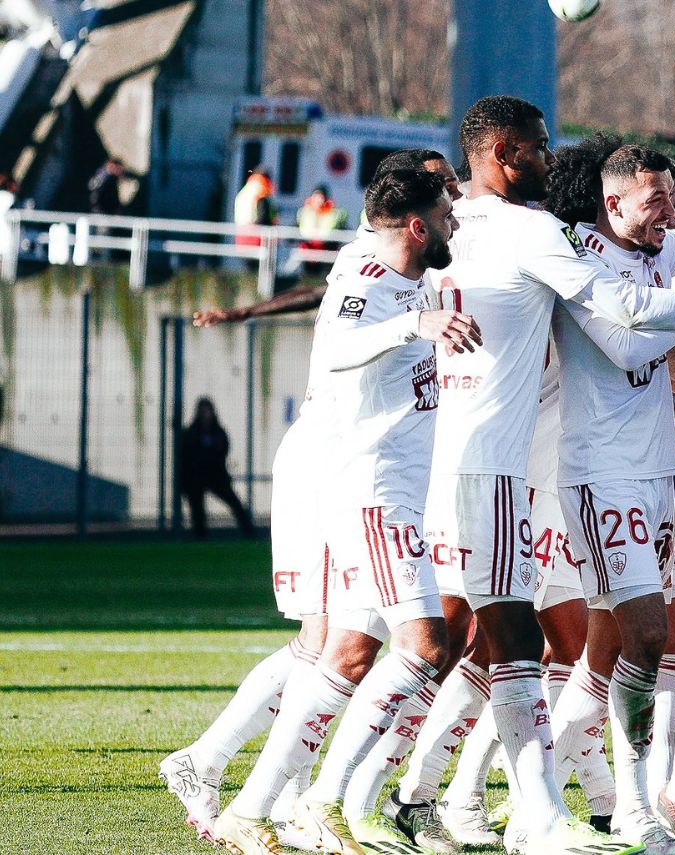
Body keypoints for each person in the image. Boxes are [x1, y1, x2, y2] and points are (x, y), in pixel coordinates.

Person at [385, 94, 675, 855]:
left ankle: (485, 798)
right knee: (550, 641)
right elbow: (631, 341)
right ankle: (431, 793)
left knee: (574, 652)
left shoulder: (516, 233)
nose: (672, 212)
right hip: (568, 470)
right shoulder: (565, 246)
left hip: (617, 473)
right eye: (659, 200)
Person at [211, 165, 475, 855]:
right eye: (447, 211)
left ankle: (253, 805)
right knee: (425, 647)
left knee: (350, 654)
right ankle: (324, 801)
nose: (455, 220)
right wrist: (416, 324)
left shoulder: (406, 266)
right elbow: (336, 348)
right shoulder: (367, 280)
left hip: (393, 495)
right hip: (373, 491)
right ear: (417, 226)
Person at [193, 151, 461, 327]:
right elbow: (325, 303)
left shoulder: (436, 234)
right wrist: (246, 312)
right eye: (446, 187)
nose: (457, 195)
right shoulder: (368, 256)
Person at [178, 398, 254, 538]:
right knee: (197, 509)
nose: (205, 414)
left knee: (235, 504)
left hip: (216, 477)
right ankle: (200, 536)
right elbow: (189, 453)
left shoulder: (218, 431)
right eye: (203, 411)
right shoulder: (192, 432)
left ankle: (249, 532)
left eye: (208, 411)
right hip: (196, 478)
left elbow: (222, 449)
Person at [296, 185, 348, 273]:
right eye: (316, 196)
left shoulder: (334, 213)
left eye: (321, 197)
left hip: (327, 247)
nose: (318, 200)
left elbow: (339, 229)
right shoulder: (304, 212)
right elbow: (299, 228)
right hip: (308, 247)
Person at [234, 166, 277, 247]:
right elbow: (263, 217)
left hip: (241, 235)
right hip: (256, 237)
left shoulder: (245, 190)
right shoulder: (261, 190)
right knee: (260, 259)